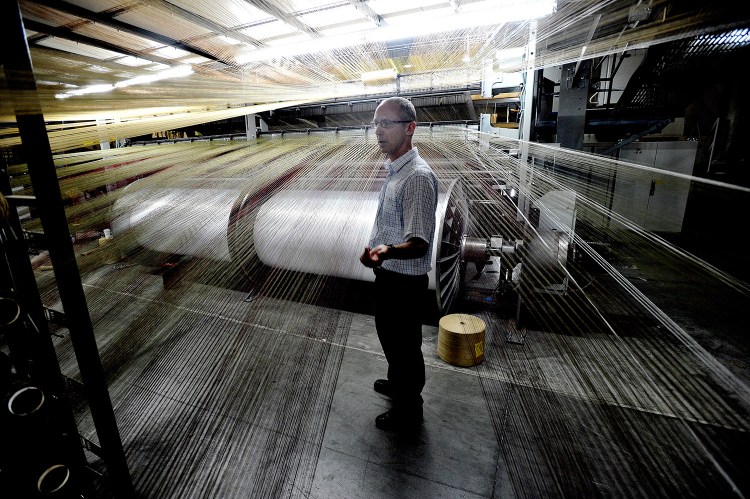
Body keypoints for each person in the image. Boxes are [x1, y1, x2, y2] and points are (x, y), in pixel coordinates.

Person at [359, 96, 439, 432]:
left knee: (405, 346)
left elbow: (419, 243)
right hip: (389, 278)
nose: (378, 130)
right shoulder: (396, 170)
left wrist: (384, 251)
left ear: (410, 128)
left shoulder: (416, 177)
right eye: (376, 123)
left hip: (404, 284)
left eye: (386, 123)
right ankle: (397, 384)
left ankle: (410, 407)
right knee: (392, 340)